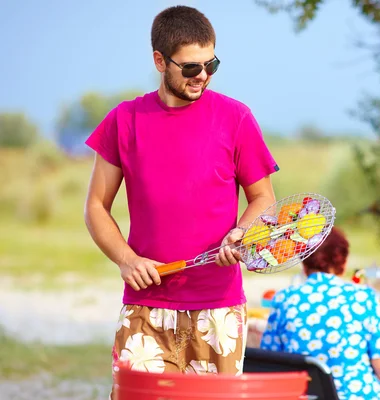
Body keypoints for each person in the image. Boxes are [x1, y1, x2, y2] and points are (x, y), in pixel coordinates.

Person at [83, 5, 278, 392]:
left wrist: (240, 233)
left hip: (218, 309)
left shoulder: (236, 118)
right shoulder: (124, 120)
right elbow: (95, 208)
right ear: (160, 61)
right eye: (191, 67)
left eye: (211, 65)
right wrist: (127, 259)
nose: (202, 76)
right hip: (145, 307)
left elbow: (263, 199)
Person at [260, 227, 380, 400]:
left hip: (304, 395)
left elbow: (271, 363)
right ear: (343, 261)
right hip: (357, 395)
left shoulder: (284, 299)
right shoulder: (362, 297)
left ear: (304, 262)